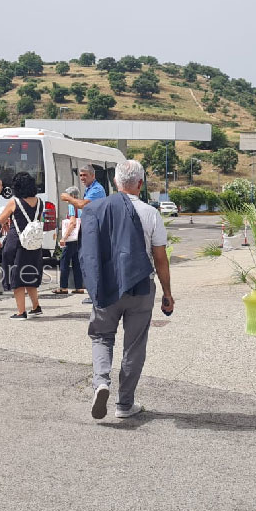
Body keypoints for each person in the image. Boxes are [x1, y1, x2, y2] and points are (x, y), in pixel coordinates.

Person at [79, 160, 174, 420]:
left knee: (101, 337)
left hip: (106, 286)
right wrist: (167, 293)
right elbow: (160, 258)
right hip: (140, 287)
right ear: (140, 184)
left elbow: (87, 252)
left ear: (115, 183)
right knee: (134, 345)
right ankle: (124, 404)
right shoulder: (150, 213)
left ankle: (101, 382)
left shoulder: (95, 209)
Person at [0, 172, 44, 319]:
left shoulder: (14, 202)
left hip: (17, 242)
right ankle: (36, 307)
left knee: (16, 277)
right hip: (33, 243)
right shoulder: (40, 201)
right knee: (29, 275)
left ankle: (21, 311)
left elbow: (0, 219)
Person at [61, 165, 107, 304]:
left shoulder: (97, 189)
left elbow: (83, 205)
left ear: (93, 175)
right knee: (87, 262)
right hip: (90, 230)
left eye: (85, 175)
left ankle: (97, 294)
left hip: (96, 230)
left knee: (93, 262)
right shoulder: (89, 189)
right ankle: (95, 293)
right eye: (80, 175)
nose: (82, 178)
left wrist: (69, 198)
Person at [53, 186, 85, 295]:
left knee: (64, 261)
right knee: (76, 262)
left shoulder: (72, 206)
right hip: (79, 237)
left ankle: (63, 287)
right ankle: (79, 286)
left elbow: (72, 223)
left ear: (72, 196)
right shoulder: (81, 205)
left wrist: (64, 237)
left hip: (71, 238)